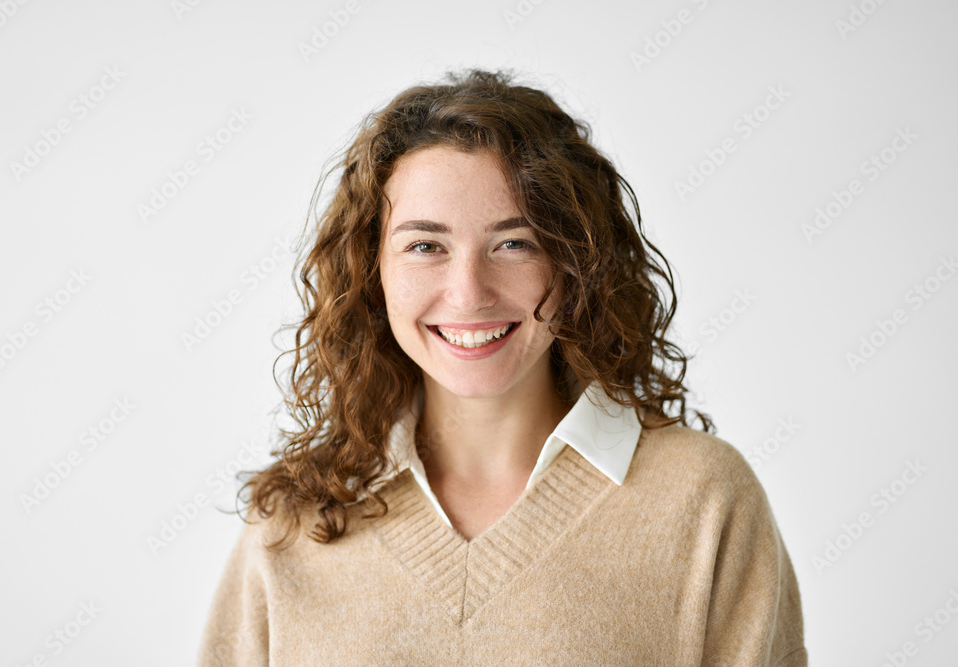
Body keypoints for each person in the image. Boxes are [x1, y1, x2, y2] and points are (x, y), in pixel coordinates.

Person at [196, 68, 808, 666]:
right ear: (370, 271)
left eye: (514, 243)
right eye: (425, 246)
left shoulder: (706, 501)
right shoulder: (290, 524)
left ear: (575, 265)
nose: (469, 294)